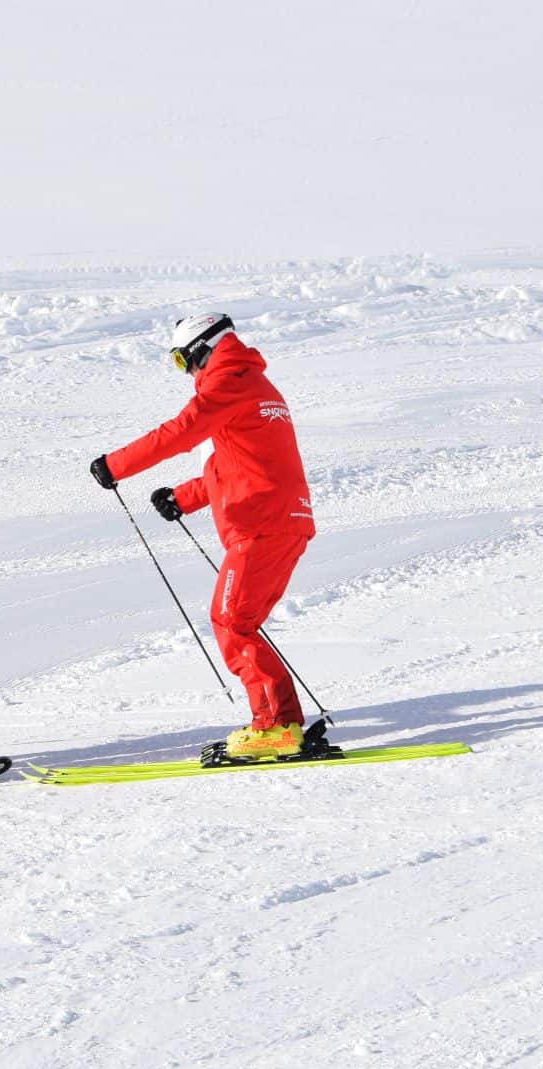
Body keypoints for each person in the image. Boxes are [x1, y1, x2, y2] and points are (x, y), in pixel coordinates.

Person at [91, 314, 317, 760]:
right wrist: (184, 497)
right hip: (281, 520)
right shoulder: (255, 386)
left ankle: (275, 727)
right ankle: (282, 722)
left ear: (203, 349)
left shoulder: (229, 383)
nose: (186, 372)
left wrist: (114, 465)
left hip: (261, 525)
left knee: (231, 620)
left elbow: (179, 433)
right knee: (239, 620)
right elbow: (238, 466)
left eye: (182, 360)